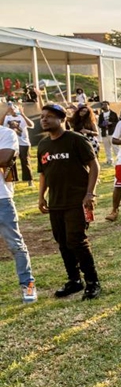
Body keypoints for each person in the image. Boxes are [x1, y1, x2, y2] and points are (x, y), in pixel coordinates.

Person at [37, 103, 102, 300]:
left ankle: (92, 282)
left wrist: (90, 193)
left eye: (49, 116)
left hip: (77, 200)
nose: (44, 119)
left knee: (77, 241)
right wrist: (41, 196)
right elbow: (43, 174)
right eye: (42, 117)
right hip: (56, 202)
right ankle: (74, 281)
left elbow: (94, 165)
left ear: (62, 119)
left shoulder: (76, 139)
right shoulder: (43, 145)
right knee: (63, 242)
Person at [0, 124, 37, 303]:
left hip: (2, 199)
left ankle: (28, 285)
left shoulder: (6, 133)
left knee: (15, 244)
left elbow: (5, 158)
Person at [3, 103, 35, 186]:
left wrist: (23, 114)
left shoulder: (21, 117)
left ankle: (29, 180)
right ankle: (13, 180)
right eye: (11, 109)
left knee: (25, 161)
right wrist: (5, 113)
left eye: (14, 108)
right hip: (11, 144)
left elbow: (31, 125)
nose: (13, 110)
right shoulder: (7, 117)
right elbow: (0, 125)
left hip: (23, 143)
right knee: (11, 162)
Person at [98, 101, 119, 165]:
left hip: (112, 132)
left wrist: (111, 123)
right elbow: (99, 124)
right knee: (107, 147)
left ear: (108, 105)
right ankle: (109, 160)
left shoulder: (113, 114)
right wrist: (103, 125)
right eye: (103, 105)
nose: (104, 106)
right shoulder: (101, 115)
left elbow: (117, 123)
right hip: (104, 132)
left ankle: (119, 159)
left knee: (115, 146)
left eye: (105, 105)